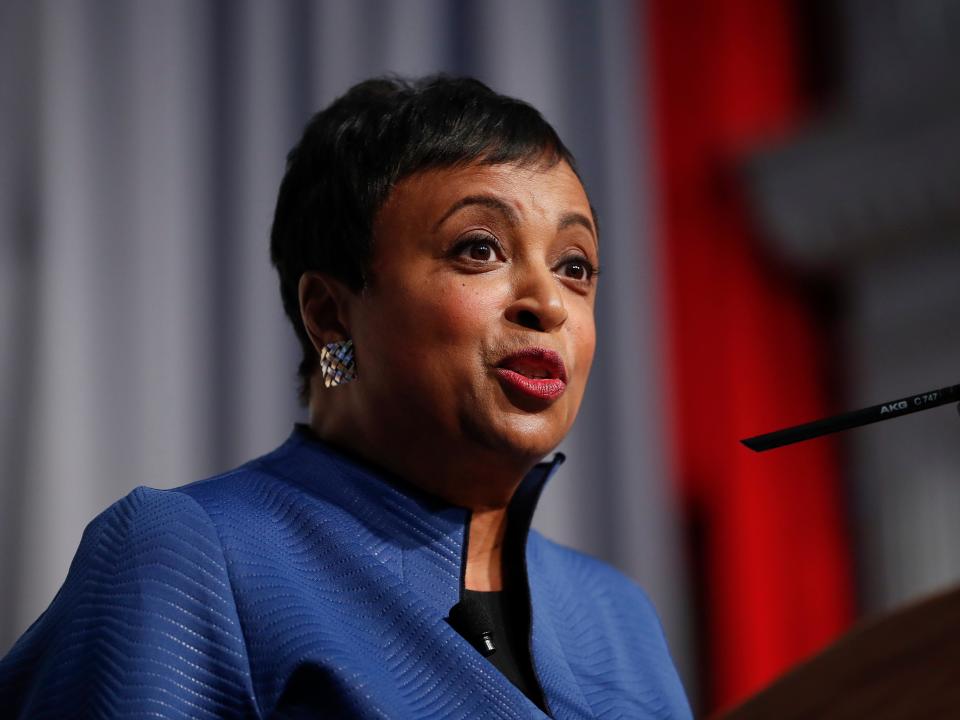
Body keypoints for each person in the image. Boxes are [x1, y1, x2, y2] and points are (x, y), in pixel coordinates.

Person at [0, 76, 691, 719]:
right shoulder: (187, 557)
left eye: (575, 267)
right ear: (331, 314)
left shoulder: (616, 615)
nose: (548, 303)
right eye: (479, 249)